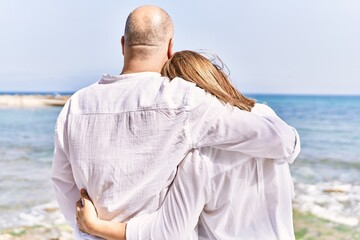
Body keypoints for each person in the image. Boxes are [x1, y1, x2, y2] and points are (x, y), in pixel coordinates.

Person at [51, 5, 299, 240]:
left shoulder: (76, 104)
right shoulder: (184, 98)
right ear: (170, 47)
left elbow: (63, 183)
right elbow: (281, 142)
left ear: (123, 44)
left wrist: (89, 228)